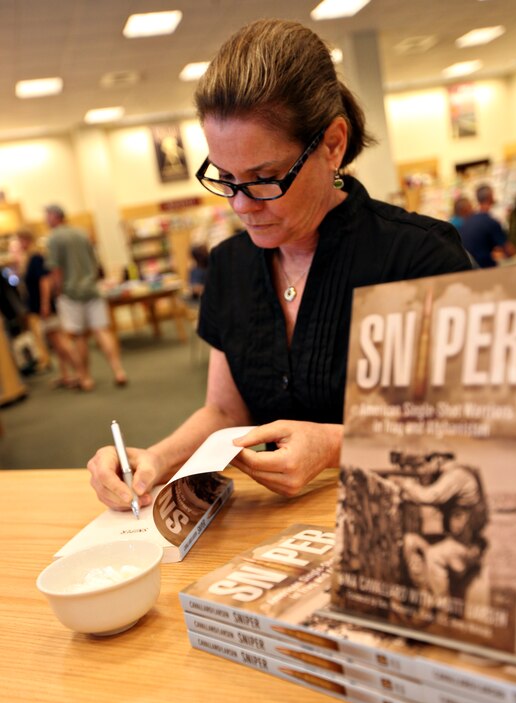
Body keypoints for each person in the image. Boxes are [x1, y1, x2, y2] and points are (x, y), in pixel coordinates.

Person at [88, 18, 472, 511]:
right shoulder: (229, 266)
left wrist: (335, 445)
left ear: (333, 144)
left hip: (403, 521)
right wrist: (156, 460)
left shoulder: (419, 258)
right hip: (271, 533)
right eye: (225, 177)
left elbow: (472, 426)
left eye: (265, 177)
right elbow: (226, 410)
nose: (242, 205)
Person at [44, 205, 128, 390]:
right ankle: (118, 370)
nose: (45, 220)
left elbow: (56, 269)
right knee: (102, 331)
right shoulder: (82, 234)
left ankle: (85, 378)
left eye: (47, 216)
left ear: (55, 216)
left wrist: (58, 292)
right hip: (92, 289)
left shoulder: (54, 239)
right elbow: (94, 261)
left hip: (71, 293)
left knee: (79, 336)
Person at [394, 453, 489, 599]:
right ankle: (426, 595)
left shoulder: (456, 476)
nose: (421, 469)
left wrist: (406, 484)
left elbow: (429, 496)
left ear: (438, 459)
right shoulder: (449, 475)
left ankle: (442, 607)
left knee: (434, 556)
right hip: (455, 539)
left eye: (423, 463)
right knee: (410, 541)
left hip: (464, 546)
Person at [14, 228, 85, 388]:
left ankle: (81, 373)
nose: (18, 244)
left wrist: (45, 304)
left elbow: (45, 282)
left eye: (20, 240)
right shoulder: (29, 259)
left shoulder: (36, 258)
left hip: (45, 307)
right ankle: (66, 374)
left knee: (60, 342)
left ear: (27, 239)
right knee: (55, 343)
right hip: (40, 306)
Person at [459, 184, 516, 267]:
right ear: (491, 196)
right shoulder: (490, 221)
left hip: (472, 267)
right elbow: (510, 252)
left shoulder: (469, 221)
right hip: (487, 268)